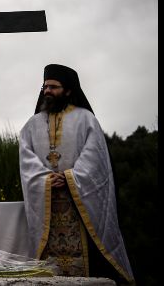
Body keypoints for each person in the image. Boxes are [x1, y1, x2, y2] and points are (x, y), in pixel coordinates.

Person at [19, 64, 133, 284]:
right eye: (45, 87)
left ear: (69, 90)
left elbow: (96, 157)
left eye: (53, 86)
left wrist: (71, 176)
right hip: (47, 204)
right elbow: (26, 158)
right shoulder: (31, 126)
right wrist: (45, 177)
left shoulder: (85, 119)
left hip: (80, 203)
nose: (47, 91)